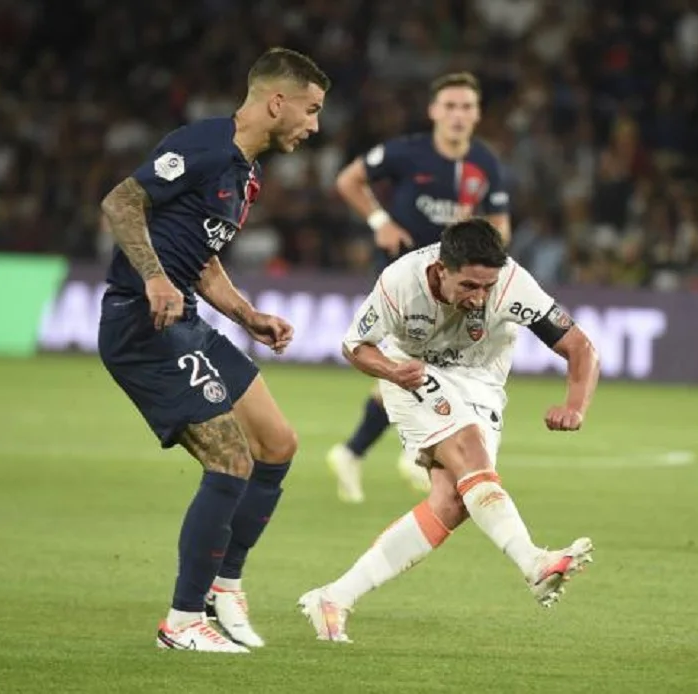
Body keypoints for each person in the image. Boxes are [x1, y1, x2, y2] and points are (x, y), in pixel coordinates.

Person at [97, 47, 329, 654]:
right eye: (311, 110)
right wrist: (153, 277)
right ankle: (181, 622)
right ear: (276, 103)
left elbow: (201, 260)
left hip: (187, 320)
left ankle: (224, 585)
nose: (315, 126)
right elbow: (121, 202)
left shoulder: (245, 174)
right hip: (143, 323)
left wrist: (249, 316)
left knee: (277, 442)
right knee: (229, 458)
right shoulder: (201, 145)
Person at [298, 218, 599, 642]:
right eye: (469, 286)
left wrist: (575, 406)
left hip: (483, 381)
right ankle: (533, 562)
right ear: (441, 269)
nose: (479, 298)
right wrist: (391, 372)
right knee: (470, 449)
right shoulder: (400, 282)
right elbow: (355, 345)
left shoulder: (513, 284)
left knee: (453, 502)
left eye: (487, 287)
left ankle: (334, 597)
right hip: (413, 371)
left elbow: (580, 346)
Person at [326, 72, 512, 503]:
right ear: (433, 111)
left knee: (419, 366)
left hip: (456, 289)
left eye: (467, 107)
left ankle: (369, 452)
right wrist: (380, 221)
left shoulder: (485, 162)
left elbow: (501, 223)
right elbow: (348, 180)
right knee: (416, 363)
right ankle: (405, 454)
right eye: (450, 106)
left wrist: (484, 241)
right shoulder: (407, 152)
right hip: (407, 281)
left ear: (477, 114)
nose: (458, 115)